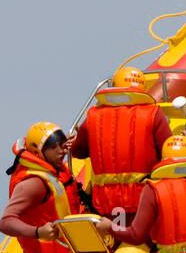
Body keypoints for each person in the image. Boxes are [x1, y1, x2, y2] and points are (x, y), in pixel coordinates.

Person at [0, 121, 96, 253]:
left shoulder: (53, 165)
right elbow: (5, 222)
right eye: (54, 147)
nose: (62, 151)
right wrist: (38, 232)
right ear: (38, 152)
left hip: (72, 246)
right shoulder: (34, 184)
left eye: (62, 144)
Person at [69, 67, 173, 225]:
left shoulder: (93, 115)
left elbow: (78, 151)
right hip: (143, 203)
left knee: (111, 246)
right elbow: (170, 154)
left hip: (105, 205)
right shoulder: (153, 113)